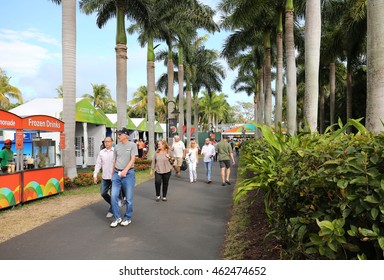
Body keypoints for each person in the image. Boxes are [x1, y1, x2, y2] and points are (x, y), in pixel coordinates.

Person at [110, 128, 138, 228]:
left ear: (126, 135)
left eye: (120, 134)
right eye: (118, 134)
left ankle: (127, 218)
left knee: (129, 198)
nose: (118, 136)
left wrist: (125, 170)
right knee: (113, 196)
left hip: (128, 174)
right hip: (117, 173)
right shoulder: (116, 147)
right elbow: (115, 161)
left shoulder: (132, 145)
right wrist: (112, 174)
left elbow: (132, 160)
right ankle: (117, 218)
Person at [93, 136, 115, 218]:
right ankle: (113, 204)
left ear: (112, 142)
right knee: (103, 193)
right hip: (105, 177)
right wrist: (95, 175)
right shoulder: (101, 152)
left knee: (113, 195)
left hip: (114, 177)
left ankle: (112, 210)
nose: (106, 143)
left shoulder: (115, 152)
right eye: (105, 141)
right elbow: (98, 164)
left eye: (108, 141)